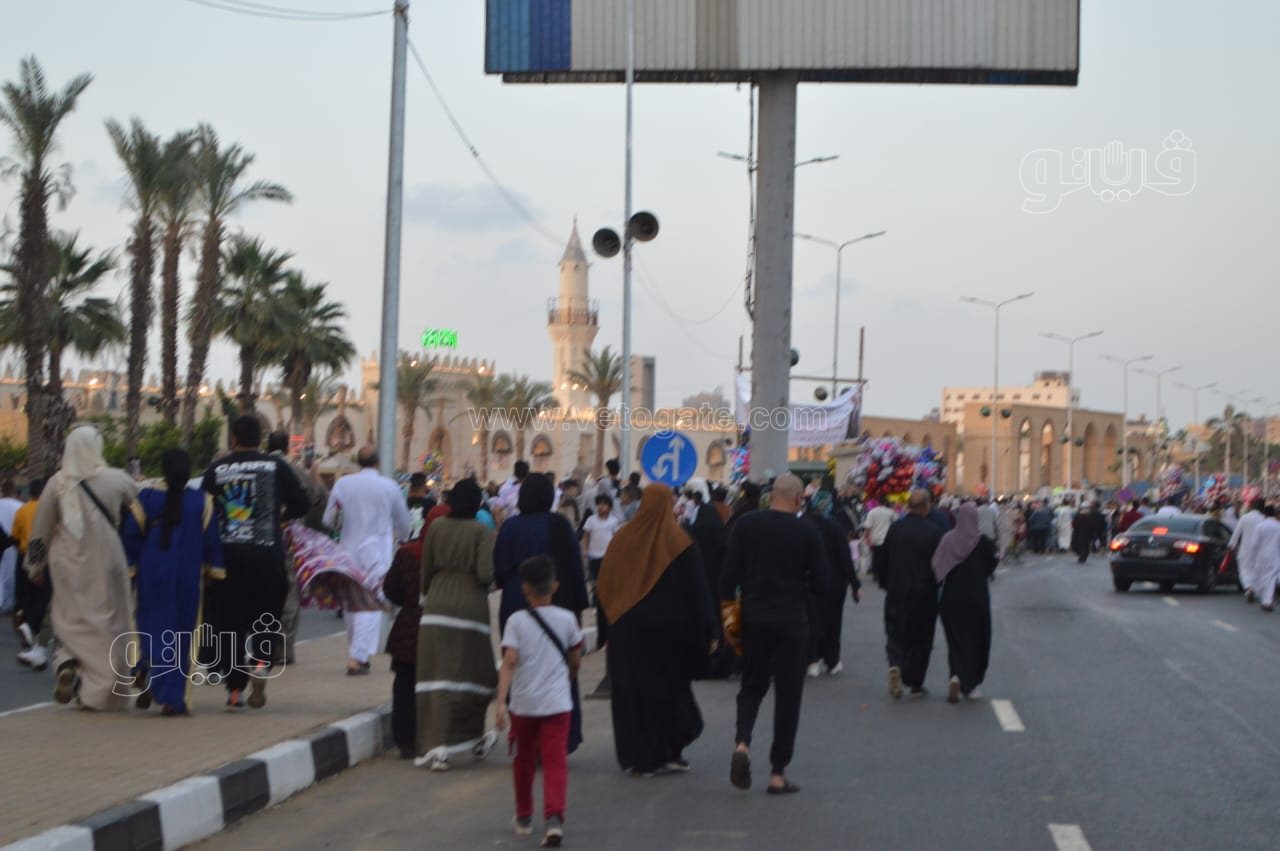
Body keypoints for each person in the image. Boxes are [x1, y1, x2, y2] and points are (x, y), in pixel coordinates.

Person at [597, 485, 717, 777]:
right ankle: (669, 752)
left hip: (626, 632)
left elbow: (605, 585)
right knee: (669, 693)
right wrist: (710, 629)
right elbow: (698, 590)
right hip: (668, 636)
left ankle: (642, 759)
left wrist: (605, 629)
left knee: (632, 695)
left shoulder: (622, 539)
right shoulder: (677, 541)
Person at [721, 474, 828, 795]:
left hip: (754, 617)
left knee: (752, 685)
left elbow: (727, 578)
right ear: (798, 499)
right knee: (788, 694)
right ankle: (777, 773)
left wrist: (729, 623)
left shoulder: (746, 526)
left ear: (771, 497)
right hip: (792, 621)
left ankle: (742, 743)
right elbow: (823, 583)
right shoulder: (807, 530)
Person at [26, 426, 139, 710]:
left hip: (67, 561)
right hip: (106, 558)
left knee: (70, 619)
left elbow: (40, 530)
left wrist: (34, 567)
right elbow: (143, 503)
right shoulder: (116, 479)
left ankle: (67, 664)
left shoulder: (57, 483)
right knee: (108, 622)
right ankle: (97, 693)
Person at [203, 415, 310, 710]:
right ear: (259, 439)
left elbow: (203, 507)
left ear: (234, 439)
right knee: (267, 615)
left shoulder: (218, 469)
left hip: (228, 558)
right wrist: (280, 517)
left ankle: (234, 692)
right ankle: (261, 664)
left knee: (230, 624)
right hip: (267, 555)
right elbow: (303, 502)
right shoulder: (276, 467)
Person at [122, 449, 225, 716]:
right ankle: (172, 698)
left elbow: (131, 535)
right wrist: (215, 572)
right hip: (188, 576)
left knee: (150, 627)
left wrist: (131, 569)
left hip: (152, 572)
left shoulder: (146, 498)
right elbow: (211, 542)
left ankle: (146, 669)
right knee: (183, 635)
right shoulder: (203, 502)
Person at [496, 555, 583, 847]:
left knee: (523, 761)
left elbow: (509, 662)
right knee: (555, 760)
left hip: (523, 705)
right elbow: (575, 658)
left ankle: (523, 815)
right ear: (554, 586)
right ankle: (554, 819)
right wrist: (568, 677)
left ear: (525, 589)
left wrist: (499, 703)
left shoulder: (516, 622)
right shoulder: (568, 619)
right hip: (557, 704)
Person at [415, 478, 499, 770]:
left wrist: (428, 594)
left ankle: (437, 747)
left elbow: (425, 569)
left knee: (437, 675)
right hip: (470, 610)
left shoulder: (437, 527)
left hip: (436, 605)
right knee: (471, 675)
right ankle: (472, 738)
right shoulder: (480, 530)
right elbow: (486, 574)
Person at [324, 446, 412, 675]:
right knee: (371, 602)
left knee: (352, 602)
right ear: (378, 462)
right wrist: (403, 538)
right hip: (377, 551)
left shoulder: (343, 484)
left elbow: (328, 519)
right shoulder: (389, 487)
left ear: (358, 462)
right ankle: (357, 656)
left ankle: (358, 653)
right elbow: (404, 522)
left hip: (348, 549)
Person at [494, 474, 590, 636]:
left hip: (515, 601)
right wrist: (578, 608)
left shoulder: (509, 527)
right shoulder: (560, 525)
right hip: (552, 601)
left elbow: (499, 571)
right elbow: (575, 569)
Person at [266, 431, 327, 665]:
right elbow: (318, 499)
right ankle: (284, 649)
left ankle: (263, 647)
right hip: (289, 537)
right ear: (287, 446)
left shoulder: (261, 466)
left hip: (260, 534)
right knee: (290, 591)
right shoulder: (296, 470)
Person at [880, 489, 944, 700]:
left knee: (895, 631)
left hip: (897, 589)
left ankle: (895, 664)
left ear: (908, 506)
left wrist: (885, 582)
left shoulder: (895, 529)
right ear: (927, 507)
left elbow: (883, 559)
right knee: (921, 637)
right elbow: (939, 565)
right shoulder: (934, 532)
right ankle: (916, 683)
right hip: (924, 592)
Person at [935, 503, 999, 703]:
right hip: (977, 598)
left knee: (956, 640)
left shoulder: (947, 540)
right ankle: (969, 684)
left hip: (951, 598)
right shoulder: (984, 543)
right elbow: (992, 566)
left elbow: (936, 565)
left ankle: (955, 674)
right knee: (977, 639)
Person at [804, 490, 860, 678]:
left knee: (811, 620)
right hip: (834, 584)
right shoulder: (836, 529)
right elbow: (845, 560)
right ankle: (832, 660)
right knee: (833, 622)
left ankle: (811, 660)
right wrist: (855, 585)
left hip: (809, 582)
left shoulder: (804, 524)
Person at [382, 536, 426, 758]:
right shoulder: (446, 555)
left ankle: (405, 741)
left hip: (407, 627)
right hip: (438, 626)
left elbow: (389, 588)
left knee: (404, 685)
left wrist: (409, 603)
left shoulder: (406, 553)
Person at [13, 478, 51, 669]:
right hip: (55, 556)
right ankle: (34, 630)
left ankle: (31, 627)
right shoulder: (52, 508)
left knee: (32, 597)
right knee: (48, 601)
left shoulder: (23, 510)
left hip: (30, 555)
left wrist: (32, 565)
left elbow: (25, 536)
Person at [1230, 498, 1266, 602]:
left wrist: (1231, 545)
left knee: (1244, 570)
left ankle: (1249, 587)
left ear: (1251, 507)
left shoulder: (1244, 518)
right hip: (1259, 550)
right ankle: (1253, 589)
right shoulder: (1263, 518)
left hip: (1245, 549)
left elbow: (1236, 533)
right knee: (1256, 571)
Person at [1250, 505, 1280, 613]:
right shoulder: (1278, 526)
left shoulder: (1260, 526)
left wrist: (1253, 555)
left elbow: (1254, 544)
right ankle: (1268, 601)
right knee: (1271, 578)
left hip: (1261, 556)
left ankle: (1266, 601)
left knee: (1262, 578)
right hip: (1274, 556)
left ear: (1265, 514)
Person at [0, 479, 21, 615]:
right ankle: (12, 603)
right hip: (15, 546)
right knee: (13, 574)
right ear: (14, 492)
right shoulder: (20, 507)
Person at [863, 502, 896, 588]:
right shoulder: (890, 512)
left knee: (876, 555)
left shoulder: (872, 512)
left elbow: (868, 527)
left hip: (875, 537)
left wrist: (867, 537)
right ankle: (885, 572)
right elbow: (896, 523)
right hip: (888, 537)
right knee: (886, 556)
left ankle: (876, 573)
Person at [405, 472, 436, 541]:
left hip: (408, 541)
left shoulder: (406, 503)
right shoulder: (430, 503)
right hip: (423, 541)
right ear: (424, 485)